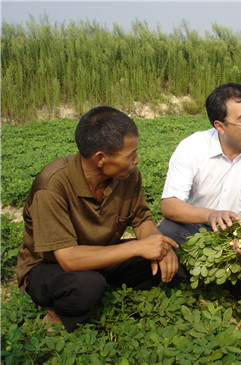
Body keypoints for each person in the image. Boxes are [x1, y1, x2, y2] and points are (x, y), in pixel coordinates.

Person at [16, 106, 180, 332]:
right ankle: (56, 316)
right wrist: (137, 248)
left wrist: (158, 245)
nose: (137, 160)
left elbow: (141, 220)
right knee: (86, 285)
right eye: (130, 154)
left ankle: (103, 287)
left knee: (168, 260)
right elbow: (69, 259)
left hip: (103, 254)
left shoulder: (128, 176)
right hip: (50, 267)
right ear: (100, 158)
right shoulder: (52, 185)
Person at [159, 83, 241, 297]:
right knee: (169, 230)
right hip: (200, 230)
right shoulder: (192, 147)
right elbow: (170, 204)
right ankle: (183, 288)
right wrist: (210, 214)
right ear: (220, 126)